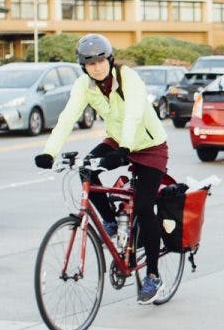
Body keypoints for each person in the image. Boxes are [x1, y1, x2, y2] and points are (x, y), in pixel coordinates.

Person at [34, 34, 169, 305]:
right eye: (90, 63)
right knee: (86, 169)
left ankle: (153, 276)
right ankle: (110, 221)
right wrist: (50, 151)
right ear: (83, 66)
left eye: (101, 60)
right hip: (119, 141)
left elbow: (133, 113)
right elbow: (68, 116)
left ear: (110, 59)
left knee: (143, 208)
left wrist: (127, 147)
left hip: (150, 146)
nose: (97, 67)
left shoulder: (127, 77)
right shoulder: (84, 86)